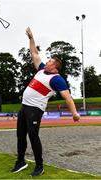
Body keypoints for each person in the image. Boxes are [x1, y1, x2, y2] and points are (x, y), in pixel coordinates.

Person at [11, 27, 80, 177]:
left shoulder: (57, 79)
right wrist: (31, 38)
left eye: (49, 61)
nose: (46, 61)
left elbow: (68, 97)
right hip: (24, 107)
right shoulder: (42, 70)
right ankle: (21, 162)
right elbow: (34, 53)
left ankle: (39, 166)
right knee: (20, 135)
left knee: (33, 136)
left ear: (55, 67)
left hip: (35, 109)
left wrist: (74, 113)